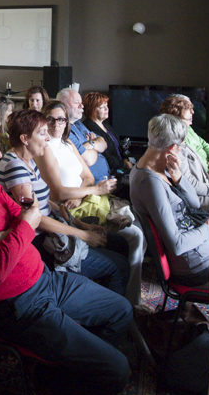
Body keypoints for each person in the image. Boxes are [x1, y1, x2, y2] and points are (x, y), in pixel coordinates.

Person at [0, 117, 132, 395]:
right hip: (17, 306)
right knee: (118, 370)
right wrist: (23, 227)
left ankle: (57, 374)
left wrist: (9, 233)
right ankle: (55, 393)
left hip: (44, 279)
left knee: (121, 310)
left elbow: (27, 211)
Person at [0, 109, 130, 297]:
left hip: (54, 228)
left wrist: (80, 224)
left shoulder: (27, 161)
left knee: (120, 244)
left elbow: (44, 203)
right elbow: (35, 218)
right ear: (25, 139)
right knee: (119, 265)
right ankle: (112, 313)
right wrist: (82, 234)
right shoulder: (14, 166)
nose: (47, 139)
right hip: (41, 242)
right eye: (42, 133)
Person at [37, 100, 144, 305]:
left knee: (134, 232)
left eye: (61, 119)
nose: (56, 124)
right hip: (68, 211)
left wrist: (80, 194)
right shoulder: (44, 148)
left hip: (82, 201)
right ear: (44, 120)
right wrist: (95, 190)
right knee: (133, 236)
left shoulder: (67, 144)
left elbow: (88, 176)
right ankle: (127, 302)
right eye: (51, 119)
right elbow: (58, 192)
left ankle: (125, 299)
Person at [130, 114, 209, 288]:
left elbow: (194, 204)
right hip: (196, 266)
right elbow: (177, 245)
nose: (182, 149)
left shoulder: (162, 167)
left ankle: (188, 309)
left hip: (200, 251)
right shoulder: (150, 182)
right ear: (173, 148)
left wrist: (178, 177)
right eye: (182, 146)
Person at [158, 95, 209, 211]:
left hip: (207, 184)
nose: (193, 112)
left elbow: (204, 144)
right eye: (189, 109)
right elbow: (189, 184)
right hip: (197, 197)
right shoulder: (175, 144)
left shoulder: (187, 130)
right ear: (177, 115)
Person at [57, 88, 112, 181]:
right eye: (76, 103)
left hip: (105, 178)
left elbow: (103, 143)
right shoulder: (63, 130)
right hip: (92, 185)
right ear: (63, 106)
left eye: (81, 102)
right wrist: (95, 145)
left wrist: (90, 144)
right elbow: (88, 160)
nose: (81, 106)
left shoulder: (78, 123)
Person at [82, 92, 133, 172]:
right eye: (102, 107)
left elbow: (119, 147)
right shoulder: (89, 127)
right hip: (111, 170)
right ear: (92, 110)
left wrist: (125, 160)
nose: (107, 109)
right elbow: (105, 155)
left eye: (106, 106)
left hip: (121, 165)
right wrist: (124, 164)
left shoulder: (105, 124)